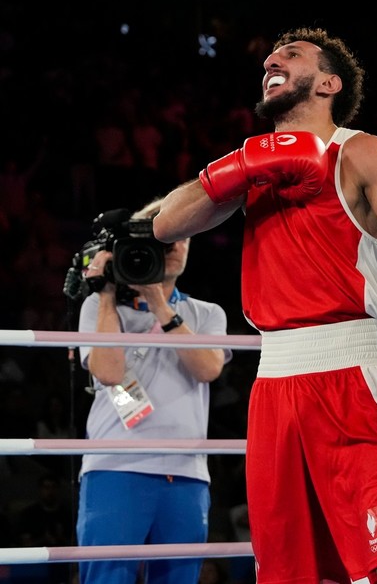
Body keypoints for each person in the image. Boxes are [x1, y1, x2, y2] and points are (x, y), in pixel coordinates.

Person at [153, 26, 377, 584]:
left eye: (292, 54)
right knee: (288, 574)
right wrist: (242, 166)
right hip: (274, 380)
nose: (271, 60)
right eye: (270, 56)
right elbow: (164, 223)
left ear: (328, 82)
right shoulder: (254, 166)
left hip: (351, 372)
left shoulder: (361, 151)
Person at [77, 196, 232, 584]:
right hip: (115, 468)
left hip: (187, 474)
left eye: (184, 237)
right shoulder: (98, 308)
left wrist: (160, 305)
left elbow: (208, 368)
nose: (177, 245)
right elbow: (110, 374)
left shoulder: (207, 313)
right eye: (166, 238)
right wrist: (107, 295)